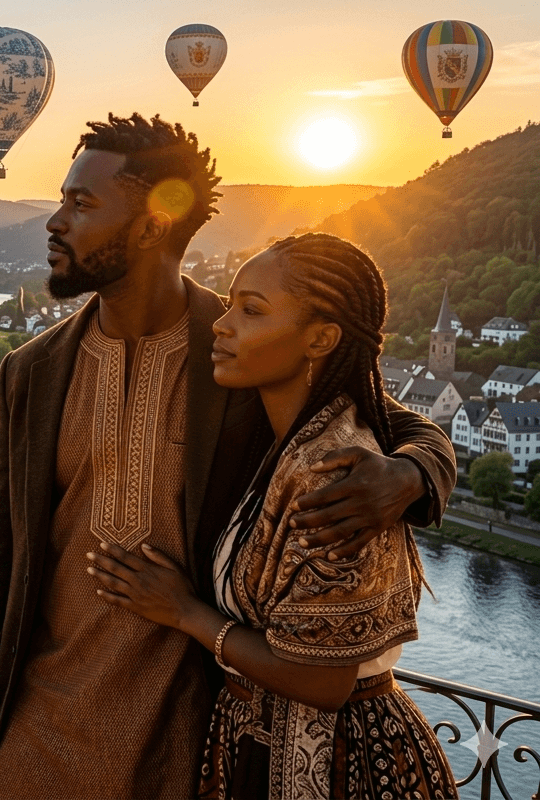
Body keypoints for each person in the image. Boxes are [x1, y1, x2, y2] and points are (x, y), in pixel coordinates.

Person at [0, 115, 455, 800]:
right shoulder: (28, 370)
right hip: (38, 731)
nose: (54, 221)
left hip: (189, 738)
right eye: (62, 199)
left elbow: (387, 415)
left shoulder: (241, 349)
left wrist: (410, 473)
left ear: (152, 224)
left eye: (80, 203)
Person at [86, 233, 456, 798]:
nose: (223, 323)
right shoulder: (284, 427)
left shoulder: (332, 473)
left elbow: (322, 681)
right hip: (264, 745)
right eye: (231, 303)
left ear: (321, 339)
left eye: (251, 310)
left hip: (333, 766)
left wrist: (183, 612)